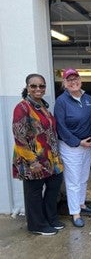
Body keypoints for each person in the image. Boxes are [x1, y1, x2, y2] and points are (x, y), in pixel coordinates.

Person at [12, 73, 65, 235]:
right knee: (34, 193)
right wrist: (32, 161)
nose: (38, 89)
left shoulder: (42, 105)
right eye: (33, 86)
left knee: (54, 186)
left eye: (41, 86)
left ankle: (50, 218)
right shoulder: (22, 108)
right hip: (32, 159)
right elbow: (19, 137)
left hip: (50, 157)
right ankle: (36, 225)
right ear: (27, 87)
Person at [54, 68, 91, 228]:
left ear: (80, 80)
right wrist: (78, 142)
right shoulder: (62, 101)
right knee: (73, 181)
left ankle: (81, 204)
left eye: (75, 78)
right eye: (69, 80)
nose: (73, 82)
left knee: (84, 177)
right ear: (64, 83)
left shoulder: (88, 98)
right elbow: (61, 127)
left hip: (88, 145)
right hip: (71, 147)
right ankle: (75, 213)